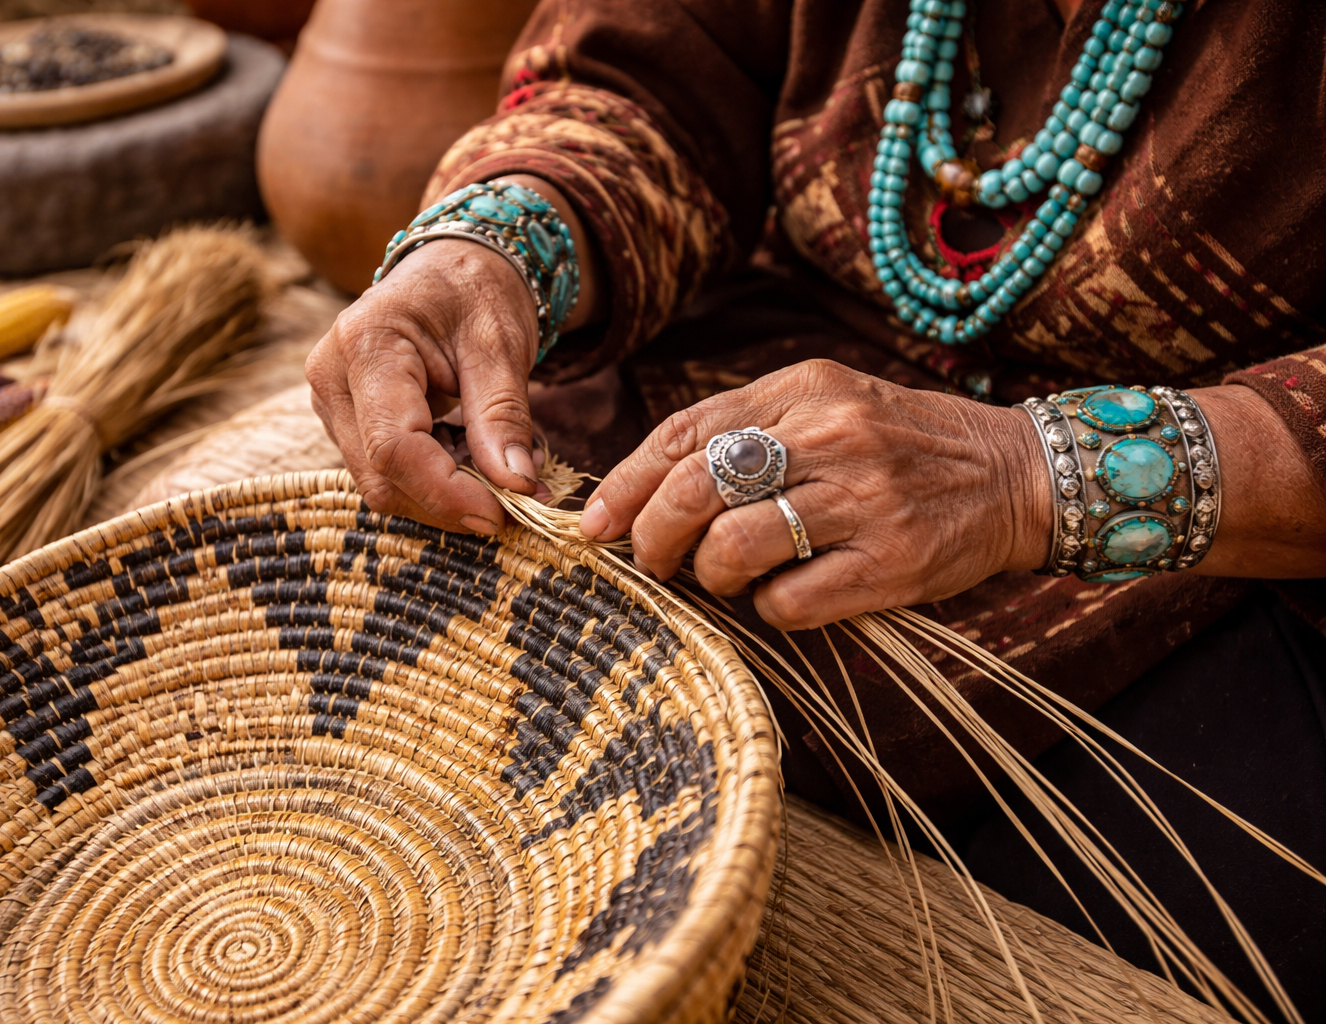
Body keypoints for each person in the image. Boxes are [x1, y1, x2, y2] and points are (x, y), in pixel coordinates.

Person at [306, 0, 1326, 1015]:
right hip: (750, 360)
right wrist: (495, 247)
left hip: (1210, 549)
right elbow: (655, 67)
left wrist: (1026, 474)